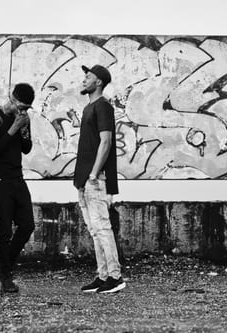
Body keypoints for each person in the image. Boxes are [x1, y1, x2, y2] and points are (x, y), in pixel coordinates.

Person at [74, 65, 126, 294]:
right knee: (95, 231)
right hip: (85, 180)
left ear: (98, 82)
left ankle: (115, 276)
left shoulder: (103, 106)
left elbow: (106, 142)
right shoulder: (90, 107)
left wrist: (94, 174)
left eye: (88, 77)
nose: (84, 79)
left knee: (103, 228)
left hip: (97, 179)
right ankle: (103, 275)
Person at [0, 83, 35, 293]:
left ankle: (2, 265)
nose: (22, 111)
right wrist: (14, 127)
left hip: (17, 177)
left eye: (26, 108)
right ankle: (6, 277)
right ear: (10, 98)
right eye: (20, 106)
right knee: (4, 230)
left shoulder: (23, 119)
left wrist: (23, 129)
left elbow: (26, 148)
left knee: (27, 225)